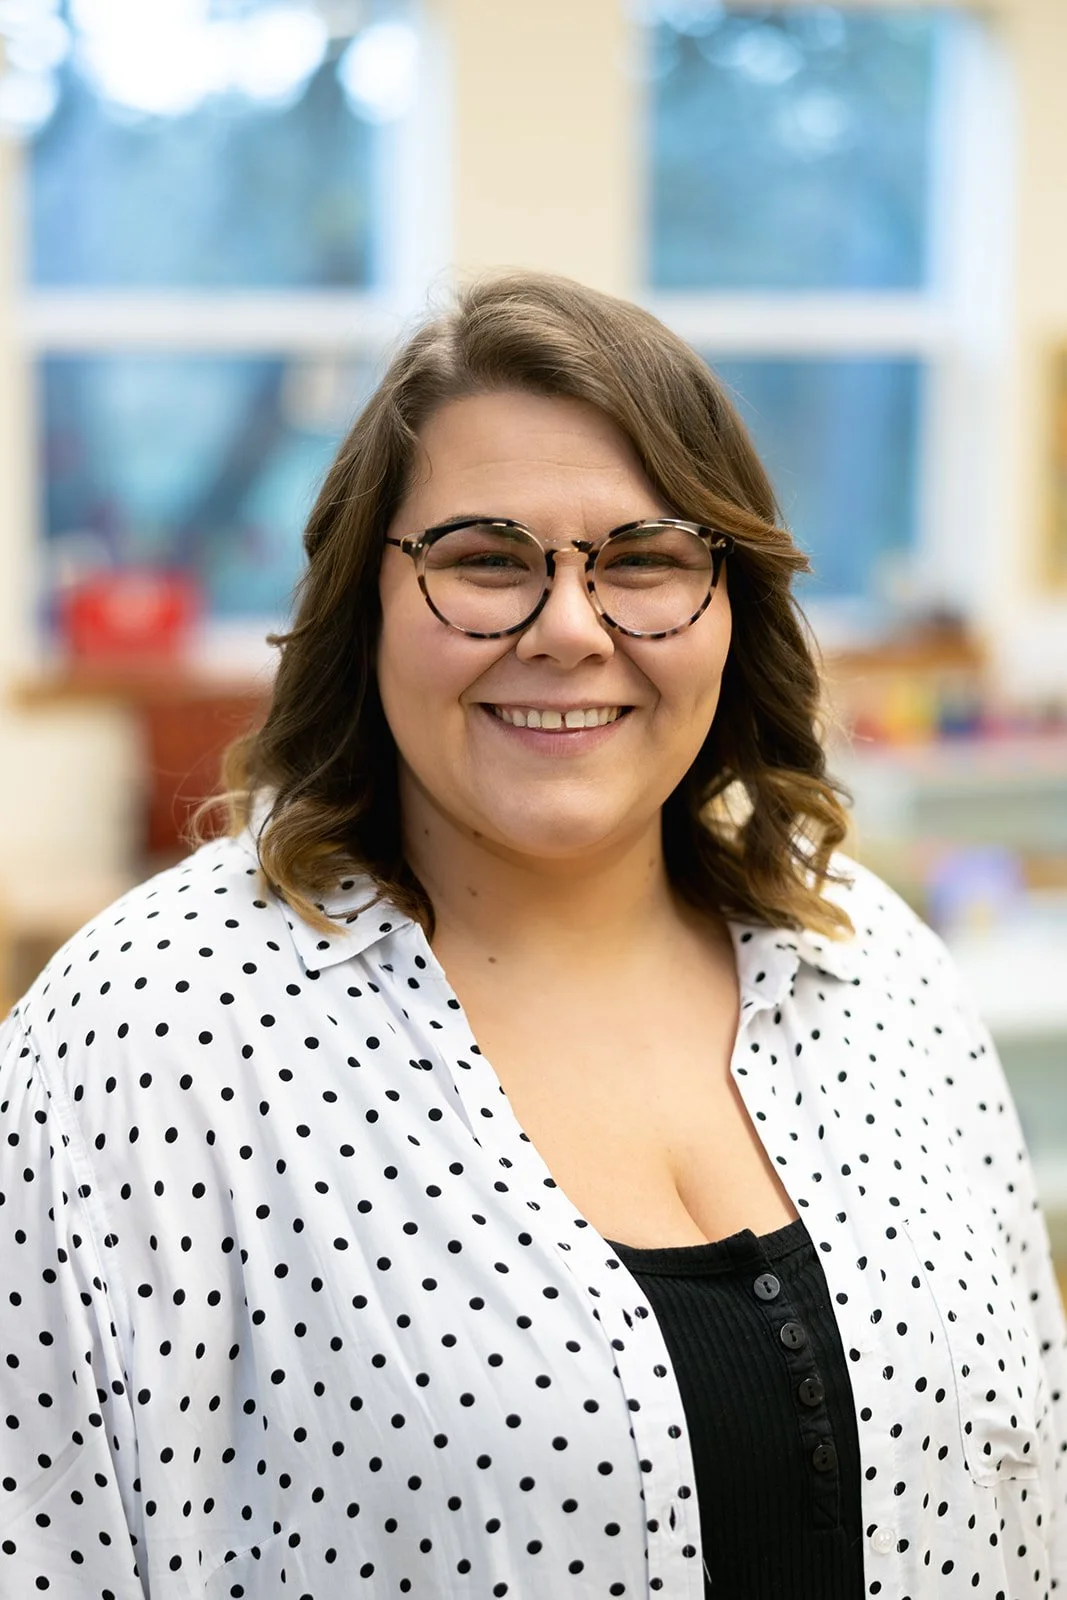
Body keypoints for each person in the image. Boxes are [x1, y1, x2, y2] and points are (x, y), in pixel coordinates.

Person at [1, 272, 1064, 1600]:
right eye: (484, 560)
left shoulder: (874, 965)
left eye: (645, 559)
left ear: (730, 606)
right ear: (364, 601)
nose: (568, 629)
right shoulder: (151, 1036)